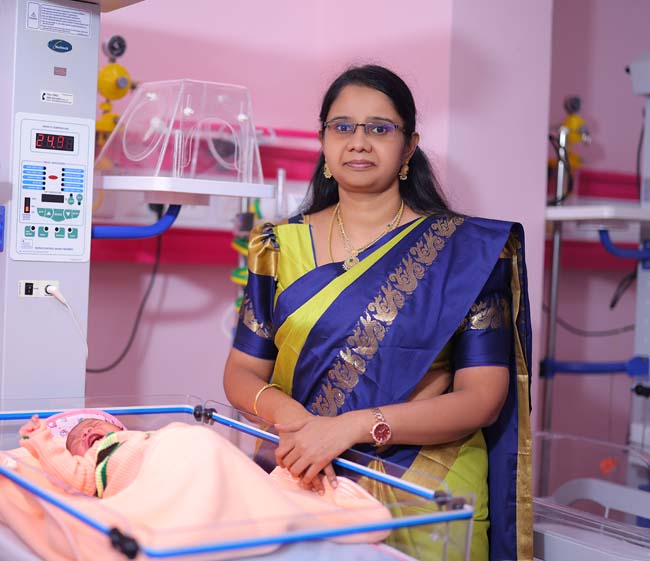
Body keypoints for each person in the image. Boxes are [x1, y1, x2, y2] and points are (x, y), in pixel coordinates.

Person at [223, 64, 532, 561]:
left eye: (379, 128)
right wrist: (299, 422)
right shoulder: (276, 247)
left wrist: (349, 427)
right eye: (342, 127)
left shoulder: (466, 254)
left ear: (409, 146)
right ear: (323, 142)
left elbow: (483, 398)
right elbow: (242, 372)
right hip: (303, 477)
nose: (359, 142)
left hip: (431, 493)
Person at [19, 409, 149, 498]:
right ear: (76, 459)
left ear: (120, 429)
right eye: (76, 441)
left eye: (94, 424)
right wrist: (39, 438)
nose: (86, 432)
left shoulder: (137, 436)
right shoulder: (97, 459)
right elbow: (74, 476)